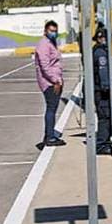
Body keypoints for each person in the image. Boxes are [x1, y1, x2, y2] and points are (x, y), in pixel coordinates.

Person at [35, 20, 65, 148]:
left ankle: (49, 134)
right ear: (45, 31)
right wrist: (55, 80)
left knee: (52, 108)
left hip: (55, 80)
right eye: (51, 31)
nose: (54, 33)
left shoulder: (51, 43)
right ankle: (50, 137)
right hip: (49, 82)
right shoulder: (43, 45)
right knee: (51, 109)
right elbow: (44, 66)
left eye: (55, 31)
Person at [92, 27, 112, 155]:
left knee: (108, 117)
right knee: (105, 118)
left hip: (102, 91)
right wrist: (108, 89)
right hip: (102, 92)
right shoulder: (100, 53)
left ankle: (106, 141)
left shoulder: (103, 51)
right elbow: (103, 73)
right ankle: (102, 144)